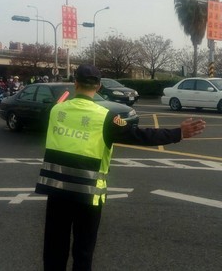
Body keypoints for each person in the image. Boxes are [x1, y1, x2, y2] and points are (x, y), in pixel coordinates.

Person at [35, 65, 206, 271]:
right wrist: (178, 133)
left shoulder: (56, 110)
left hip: (56, 191)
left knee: (54, 247)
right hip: (88, 194)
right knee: (83, 250)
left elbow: (53, 115)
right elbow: (140, 135)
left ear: (75, 84)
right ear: (98, 87)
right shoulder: (105, 117)